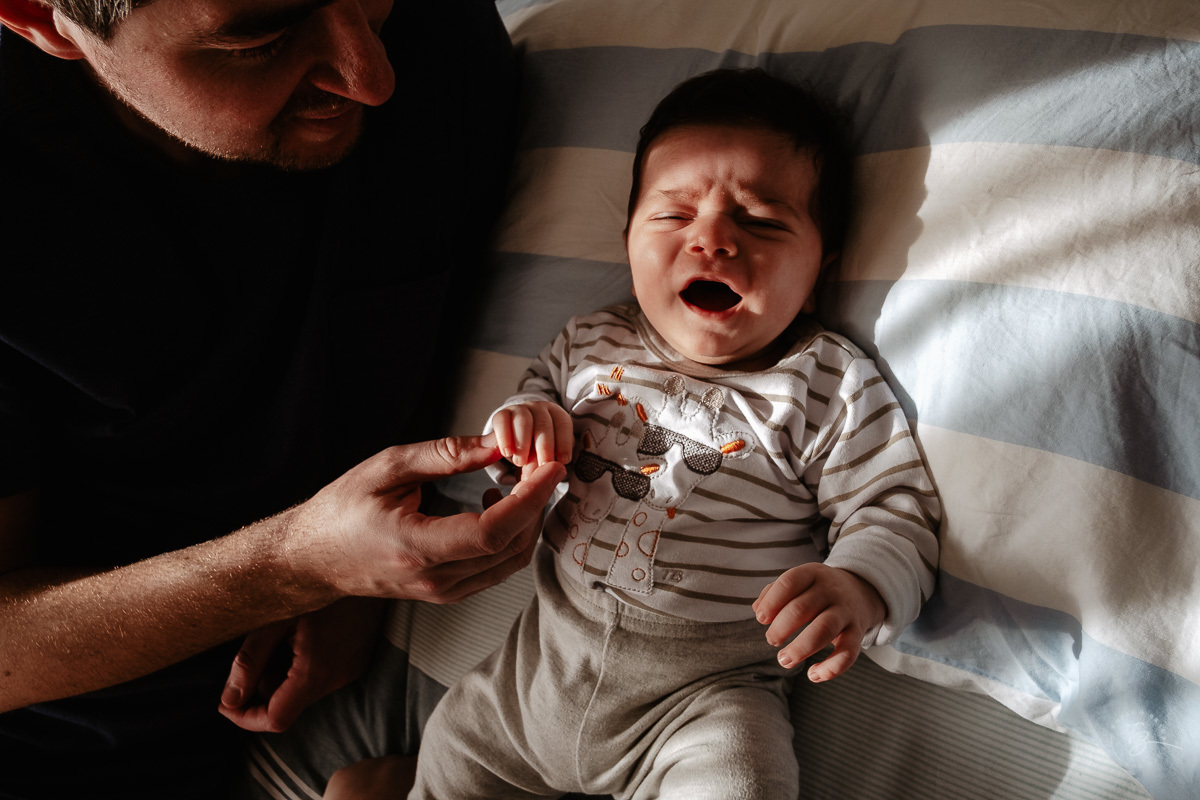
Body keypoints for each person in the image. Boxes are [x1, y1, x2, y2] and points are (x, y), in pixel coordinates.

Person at [0, 1, 558, 797]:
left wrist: (353, 573)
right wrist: (298, 568)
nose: (372, 77)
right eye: (258, 41)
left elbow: (430, 291)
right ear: (41, 18)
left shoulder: (436, 36)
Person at [404, 68, 942, 799]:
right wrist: (525, 426)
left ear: (820, 272)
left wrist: (860, 586)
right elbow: (526, 417)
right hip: (535, 671)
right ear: (627, 241)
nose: (712, 239)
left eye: (761, 222)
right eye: (673, 215)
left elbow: (893, 510)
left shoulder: (825, 383)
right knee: (451, 748)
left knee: (741, 783)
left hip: (703, 701)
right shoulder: (589, 345)